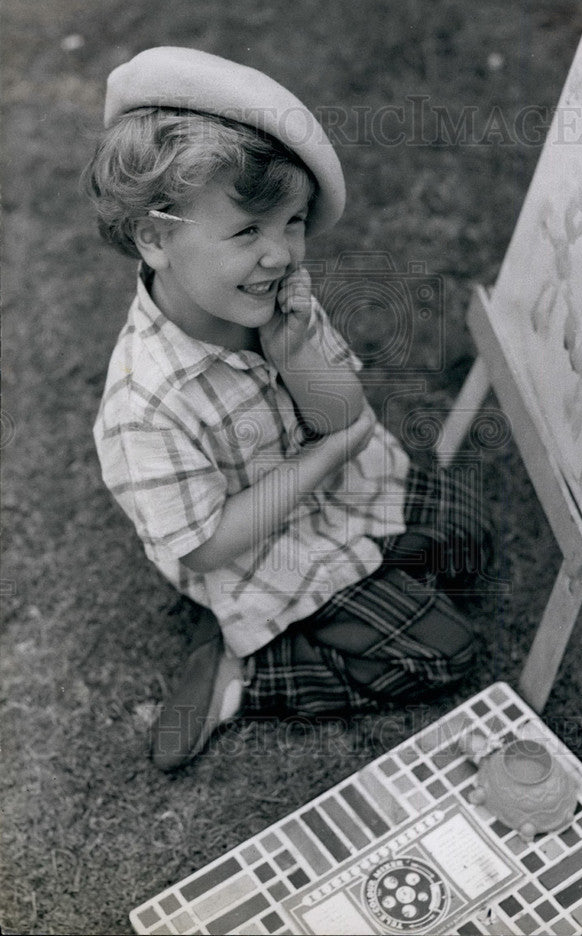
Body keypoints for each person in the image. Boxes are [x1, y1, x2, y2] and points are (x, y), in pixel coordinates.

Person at [84, 47, 492, 772]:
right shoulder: (143, 405)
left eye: (293, 223)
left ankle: (359, 597)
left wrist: (299, 351)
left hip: (346, 493)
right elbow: (207, 545)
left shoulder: (271, 296)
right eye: (247, 232)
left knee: (470, 538)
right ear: (155, 235)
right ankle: (249, 673)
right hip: (258, 557)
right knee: (448, 652)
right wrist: (327, 456)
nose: (281, 255)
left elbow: (343, 411)